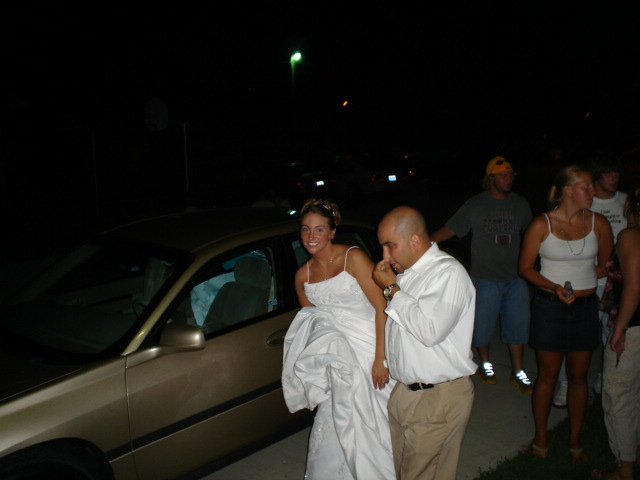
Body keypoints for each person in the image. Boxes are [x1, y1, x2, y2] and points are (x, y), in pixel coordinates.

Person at [281, 198, 395, 479]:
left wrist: (380, 359)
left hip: (372, 350)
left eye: (319, 229)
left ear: (332, 232)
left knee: (376, 426)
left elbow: (382, 307)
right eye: (306, 229)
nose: (311, 236)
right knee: (335, 423)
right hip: (339, 360)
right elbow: (315, 326)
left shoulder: (352, 258)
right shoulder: (302, 276)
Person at [373, 206, 476, 480]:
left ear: (415, 240)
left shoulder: (447, 273)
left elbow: (429, 330)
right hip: (406, 393)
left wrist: (391, 289)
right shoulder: (407, 274)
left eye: (390, 246)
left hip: (437, 398)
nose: (385, 256)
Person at [519, 165, 614, 462]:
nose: (593, 191)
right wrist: (554, 286)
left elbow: (606, 264)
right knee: (547, 376)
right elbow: (525, 269)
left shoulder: (598, 223)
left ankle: (575, 441)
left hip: (585, 309)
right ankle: (541, 437)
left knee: (578, 378)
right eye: (587, 186)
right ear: (568, 190)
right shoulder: (542, 224)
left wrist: (588, 277)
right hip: (549, 308)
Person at [430, 156, 534, 393]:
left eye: (510, 175)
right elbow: (451, 229)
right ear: (490, 179)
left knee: (518, 328)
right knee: (482, 328)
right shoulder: (476, 204)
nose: (508, 179)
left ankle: (518, 371)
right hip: (486, 278)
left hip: (516, 279)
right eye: (503, 175)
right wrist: (424, 243)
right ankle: (486, 364)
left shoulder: (520, 204)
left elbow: (533, 234)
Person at [554, 153, 628, 406]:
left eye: (616, 172)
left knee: (613, 334)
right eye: (607, 173)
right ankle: (566, 384)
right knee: (575, 337)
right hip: (585, 282)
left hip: (615, 283)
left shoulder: (626, 202)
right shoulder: (585, 202)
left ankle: (604, 380)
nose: (614, 178)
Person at [593, 185, 640, 480]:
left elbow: (633, 288)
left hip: (634, 327)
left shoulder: (631, 237)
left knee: (618, 393)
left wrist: (619, 330)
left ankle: (625, 469)